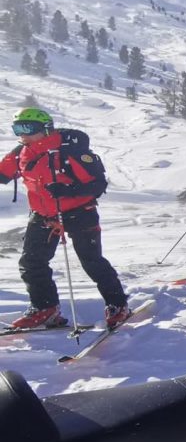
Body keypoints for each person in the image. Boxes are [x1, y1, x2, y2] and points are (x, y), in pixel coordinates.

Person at [0, 108, 130, 330]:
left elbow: (98, 184)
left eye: (28, 128)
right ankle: (45, 308)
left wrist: (68, 190)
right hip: (43, 215)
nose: (23, 134)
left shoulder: (70, 152)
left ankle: (117, 305)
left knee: (91, 261)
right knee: (31, 262)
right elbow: (2, 173)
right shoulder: (21, 152)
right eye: (17, 129)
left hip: (80, 212)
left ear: (45, 129)